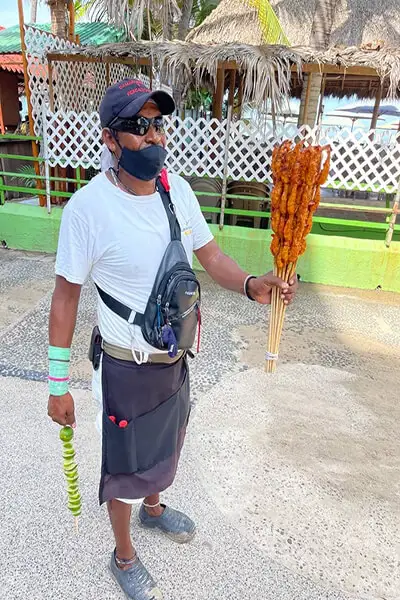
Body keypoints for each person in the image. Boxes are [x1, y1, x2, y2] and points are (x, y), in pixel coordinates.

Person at [47, 79, 298, 600]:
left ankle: (154, 509)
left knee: (169, 440)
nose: (154, 135)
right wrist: (57, 384)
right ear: (110, 139)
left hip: (173, 357)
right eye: (139, 127)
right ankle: (123, 555)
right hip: (123, 365)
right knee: (123, 463)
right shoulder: (86, 211)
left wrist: (253, 285)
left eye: (159, 123)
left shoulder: (175, 190)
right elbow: (65, 299)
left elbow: (209, 256)